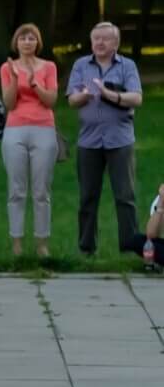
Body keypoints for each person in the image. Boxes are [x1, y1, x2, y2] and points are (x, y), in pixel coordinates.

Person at [67, 20, 144, 257]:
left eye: (105, 38)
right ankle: (86, 249)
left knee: (125, 196)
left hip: (120, 140)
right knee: (88, 197)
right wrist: (85, 95)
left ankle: (130, 249)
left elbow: (137, 98)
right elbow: (71, 99)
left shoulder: (127, 66)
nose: (100, 43)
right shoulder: (81, 65)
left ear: (116, 43)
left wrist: (110, 94)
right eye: (96, 38)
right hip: (89, 141)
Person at [1, 23, 58, 259]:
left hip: (43, 127)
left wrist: (35, 83)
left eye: (31, 38)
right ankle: (16, 243)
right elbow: (9, 103)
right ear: (16, 42)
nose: (27, 42)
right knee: (16, 189)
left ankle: (42, 242)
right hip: (15, 128)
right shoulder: (7, 67)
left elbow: (51, 100)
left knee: (41, 190)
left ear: (38, 42)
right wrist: (15, 80)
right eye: (23, 38)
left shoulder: (49, 67)